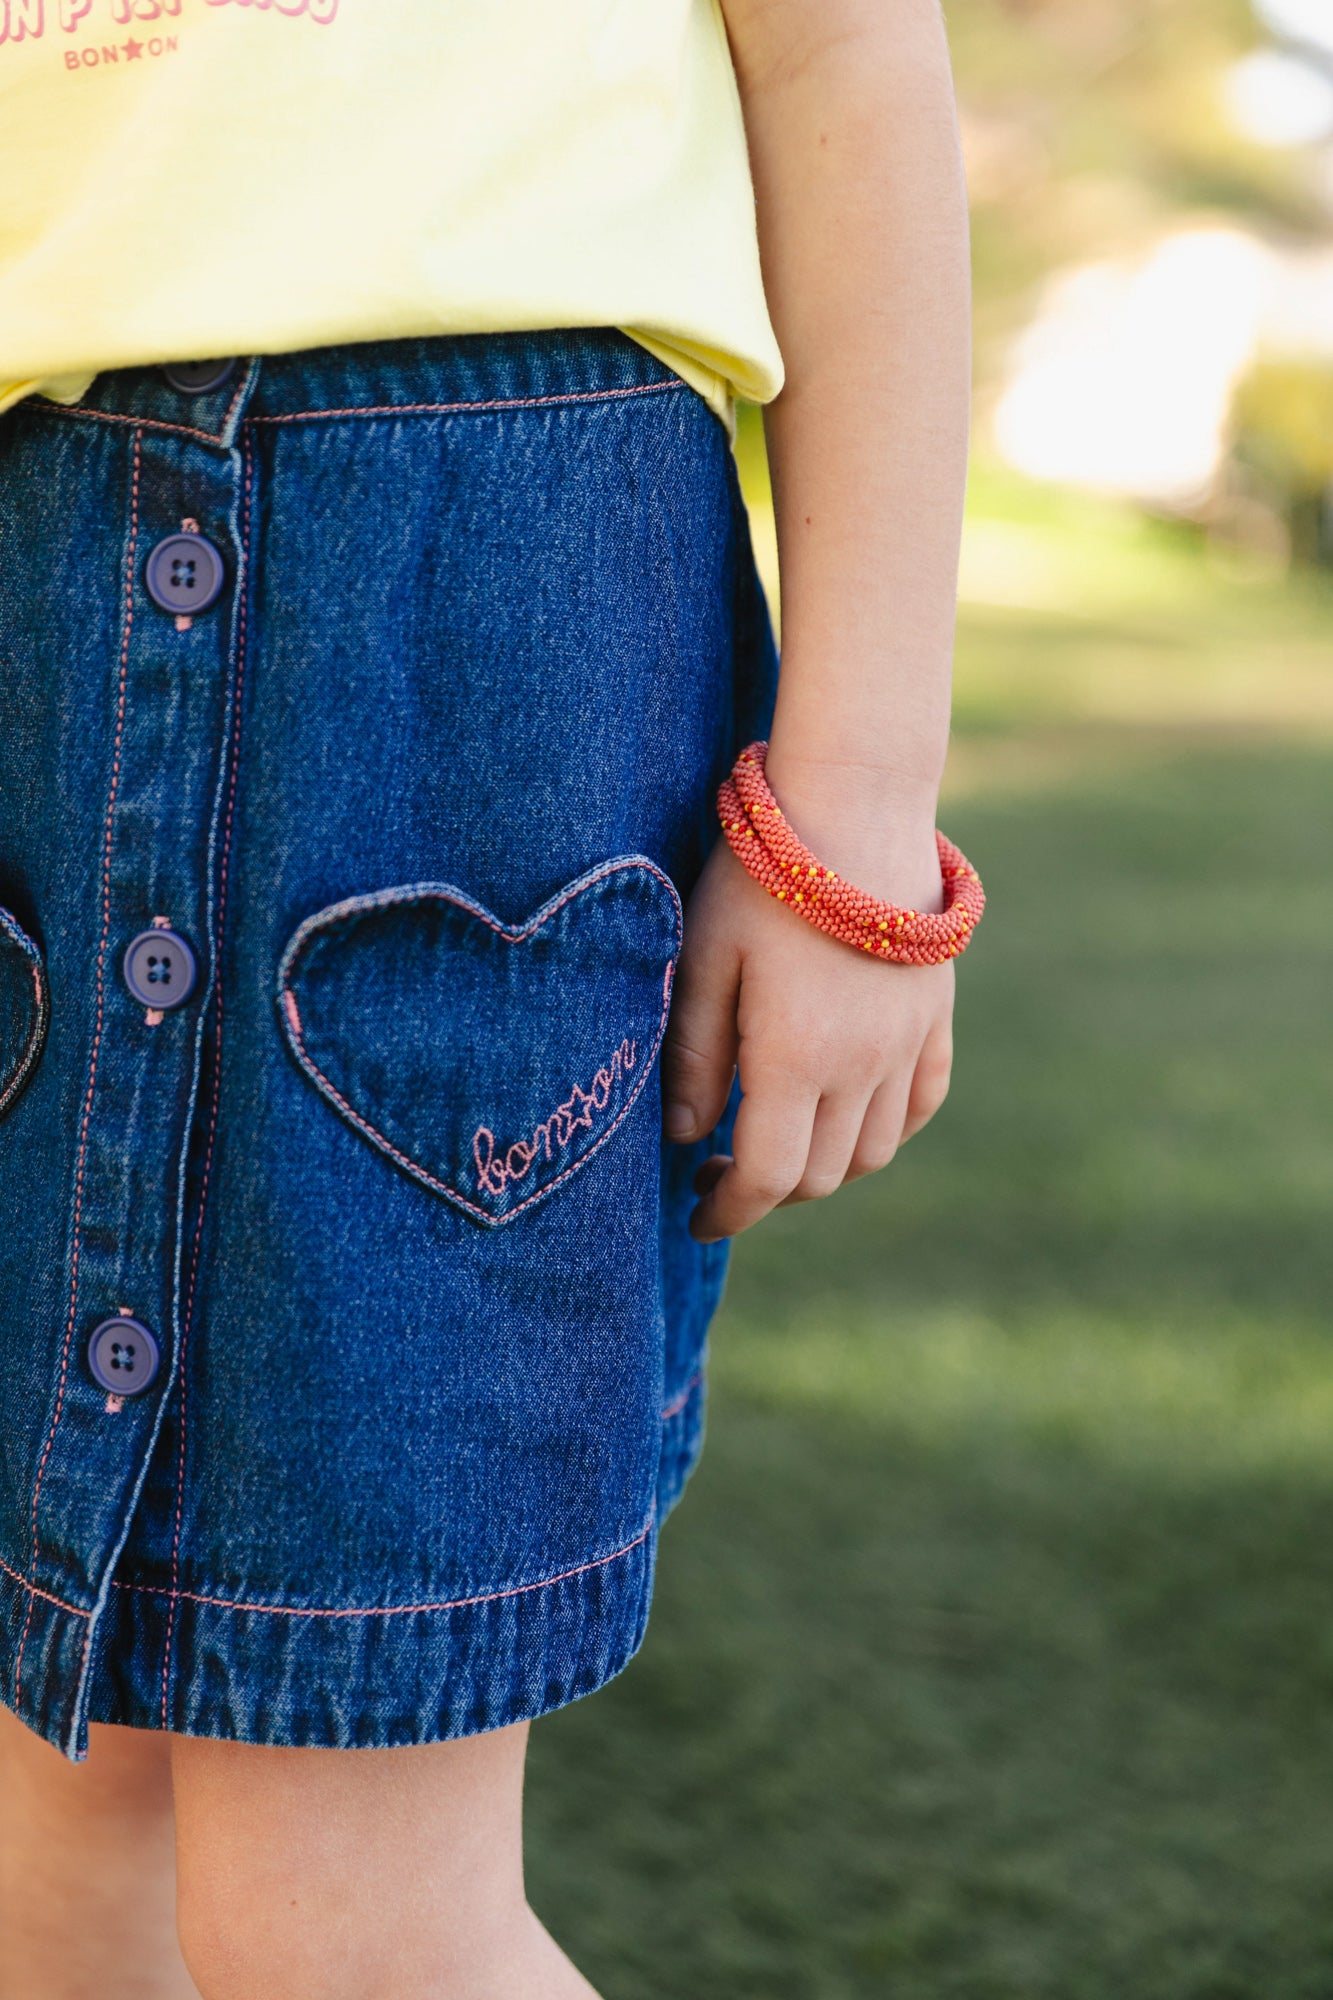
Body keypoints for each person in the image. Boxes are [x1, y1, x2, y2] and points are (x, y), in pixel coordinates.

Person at [0, 0, 976, 1993]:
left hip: (467, 581)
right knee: (51, 1821)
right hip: (35, 552)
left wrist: (856, 807)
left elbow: (848, 60)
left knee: (344, 1922)